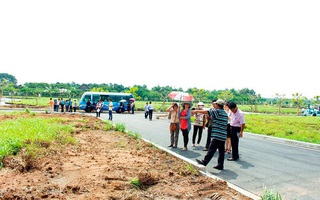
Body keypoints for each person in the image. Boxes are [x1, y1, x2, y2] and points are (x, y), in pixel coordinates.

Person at [194, 99, 228, 170]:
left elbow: (207, 112)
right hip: (223, 134)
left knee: (211, 149)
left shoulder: (217, 111)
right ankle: (220, 164)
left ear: (218, 105)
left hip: (217, 135)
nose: (214, 105)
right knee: (221, 151)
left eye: (215, 104)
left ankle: (204, 162)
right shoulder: (224, 112)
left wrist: (197, 111)